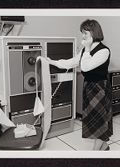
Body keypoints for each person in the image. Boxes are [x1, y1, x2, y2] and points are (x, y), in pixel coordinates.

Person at [46, 19, 113, 150]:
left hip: (100, 88)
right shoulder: (85, 50)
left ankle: (96, 151)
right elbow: (71, 62)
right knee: (93, 119)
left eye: (85, 33)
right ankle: (104, 146)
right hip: (89, 87)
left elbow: (86, 67)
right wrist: (51, 62)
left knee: (100, 120)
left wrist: (87, 48)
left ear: (94, 33)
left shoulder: (104, 51)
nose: (82, 36)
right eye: (82, 33)